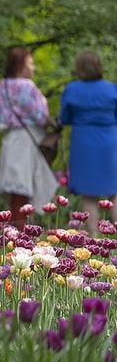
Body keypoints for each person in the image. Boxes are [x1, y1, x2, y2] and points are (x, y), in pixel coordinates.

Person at [0, 46, 58, 229]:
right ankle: (22, 233)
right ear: (20, 64)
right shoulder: (27, 86)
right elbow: (40, 115)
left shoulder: (2, 85)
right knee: (25, 187)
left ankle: (15, 231)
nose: (34, 68)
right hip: (28, 140)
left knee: (16, 189)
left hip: (10, 139)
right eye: (30, 63)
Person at [59, 51, 117, 237]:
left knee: (88, 193)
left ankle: (94, 237)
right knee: (114, 191)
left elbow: (64, 118)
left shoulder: (72, 89)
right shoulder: (111, 89)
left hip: (84, 143)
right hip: (109, 141)